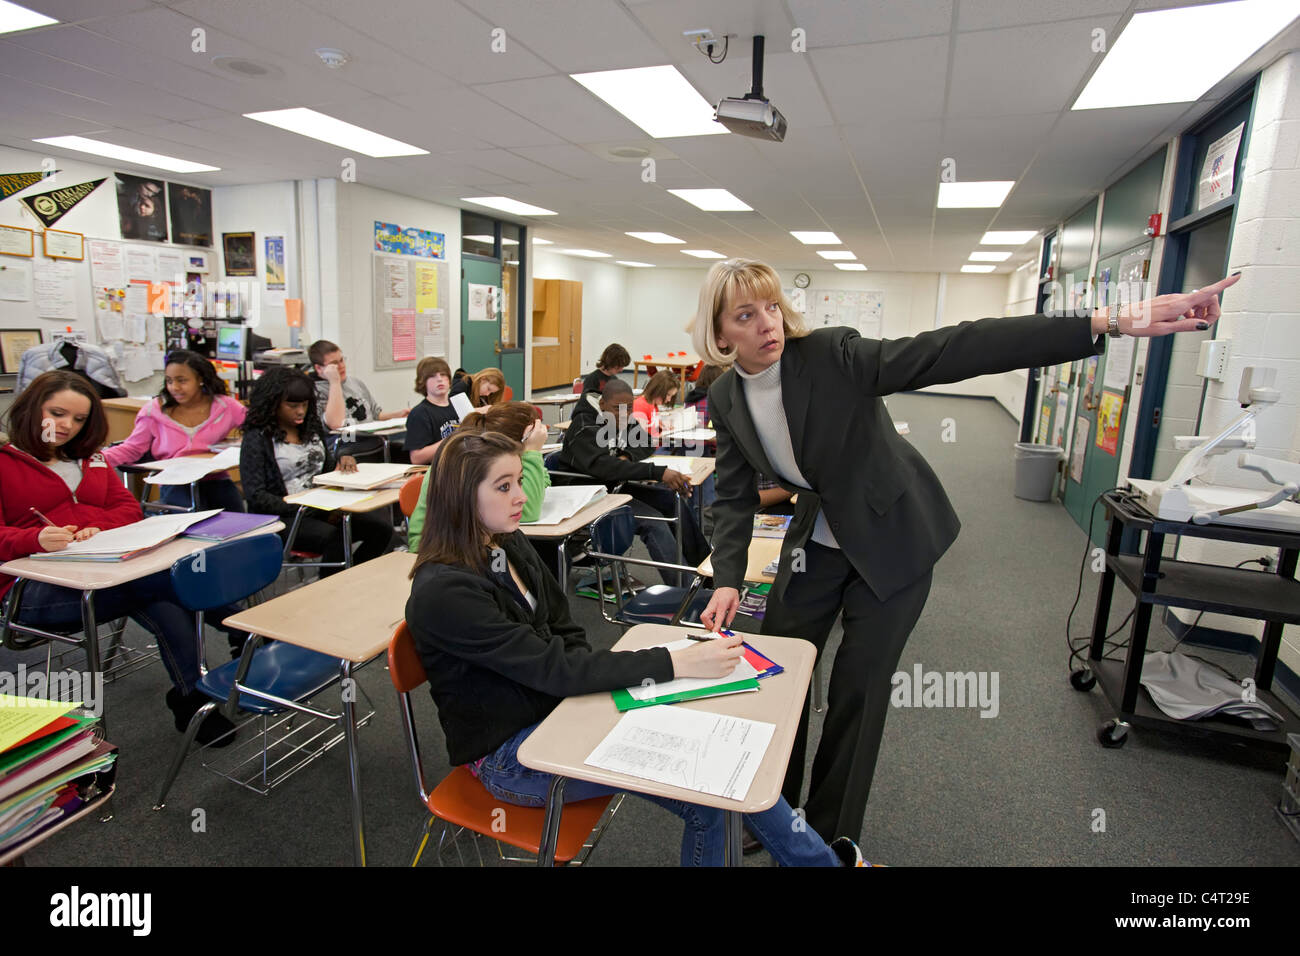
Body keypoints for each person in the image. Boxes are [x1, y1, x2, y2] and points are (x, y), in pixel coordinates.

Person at [694, 257, 1242, 846]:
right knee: (779, 673)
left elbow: (958, 347)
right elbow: (729, 493)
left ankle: (821, 843)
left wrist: (1106, 321)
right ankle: (771, 812)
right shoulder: (726, 395)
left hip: (896, 538)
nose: (767, 323)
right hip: (818, 542)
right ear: (721, 334)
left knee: (859, 690)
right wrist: (727, 576)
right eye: (746, 315)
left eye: (772, 306)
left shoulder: (834, 355)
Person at [405, 429, 871, 867]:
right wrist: (673, 662)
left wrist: (601, 686)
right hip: (513, 755)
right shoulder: (445, 593)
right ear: (463, 497)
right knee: (710, 795)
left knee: (720, 769)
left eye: (516, 482)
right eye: (504, 487)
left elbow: (566, 634)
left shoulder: (507, 541)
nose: (522, 496)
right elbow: (557, 668)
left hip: (559, 708)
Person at [0, 371, 237, 745]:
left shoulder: (90, 458)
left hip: (104, 572)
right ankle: (237, 624)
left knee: (159, 595)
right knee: (163, 582)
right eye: (58, 413)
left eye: (79, 420)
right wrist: (35, 537)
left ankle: (192, 699)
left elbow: (127, 511)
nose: (67, 426)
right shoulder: (5, 462)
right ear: (33, 408)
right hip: (30, 592)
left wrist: (86, 525)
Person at [550, 379, 707, 586]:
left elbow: (646, 444)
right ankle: (685, 592)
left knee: (672, 501)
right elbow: (603, 467)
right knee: (654, 521)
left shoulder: (621, 415)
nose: (624, 414)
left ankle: (706, 575)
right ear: (602, 404)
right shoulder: (584, 424)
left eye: (629, 408)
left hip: (611, 487)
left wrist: (625, 456)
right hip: (585, 495)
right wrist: (657, 472)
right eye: (617, 409)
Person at [240, 368, 394, 576]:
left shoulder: (310, 429)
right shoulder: (257, 439)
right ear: (273, 405)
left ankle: (353, 576)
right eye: (292, 406)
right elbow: (256, 496)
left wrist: (342, 459)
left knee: (381, 530)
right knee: (336, 537)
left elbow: (326, 468)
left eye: (304, 405)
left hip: (320, 507)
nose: (300, 411)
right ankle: (330, 588)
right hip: (283, 515)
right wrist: (306, 506)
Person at [103, 350, 246, 512]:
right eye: (169, 381)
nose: (174, 387)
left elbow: (258, 429)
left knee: (239, 521)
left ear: (200, 379)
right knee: (194, 523)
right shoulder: (153, 411)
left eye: (182, 381)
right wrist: (96, 460)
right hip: (175, 481)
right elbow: (132, 448)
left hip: (216, 479)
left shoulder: (226, 406)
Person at [407, 401, 549, 550]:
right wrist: (532, 451)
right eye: (505, 486)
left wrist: (532, 457)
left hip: (476, 544)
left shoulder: (500, 464)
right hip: (437, 551)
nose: (522, 497)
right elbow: (530, 510)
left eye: (520, 480)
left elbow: (544, 481)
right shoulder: (465, 464)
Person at [308, 339, 406, 461]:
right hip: (346, 447)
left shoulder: (355, 383)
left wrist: (399, 415)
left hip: (374, 441)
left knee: (408, 451)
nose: (341, 366)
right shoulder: (314, 391)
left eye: (342, 360)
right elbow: (336, 424)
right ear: (319, 368)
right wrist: (334, 382)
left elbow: (376, 414)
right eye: (334, 364)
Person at [405, 356, 461, 466]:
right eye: (432, 376)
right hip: (438, 472)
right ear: (422, 382)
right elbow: (416, 458)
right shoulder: (419, 414)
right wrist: (452, 439)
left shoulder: (458, 405)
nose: (439, 379)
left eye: (443, 375)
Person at [632, 369, 679, 441]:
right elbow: (639, 440)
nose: (669, 399)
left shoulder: (653, 404)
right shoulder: (640, 406)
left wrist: (660, 426)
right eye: (668, 395)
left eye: (671, 396)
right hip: (650, 450)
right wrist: (660, 436)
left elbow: (650, 427)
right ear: (657, 390)